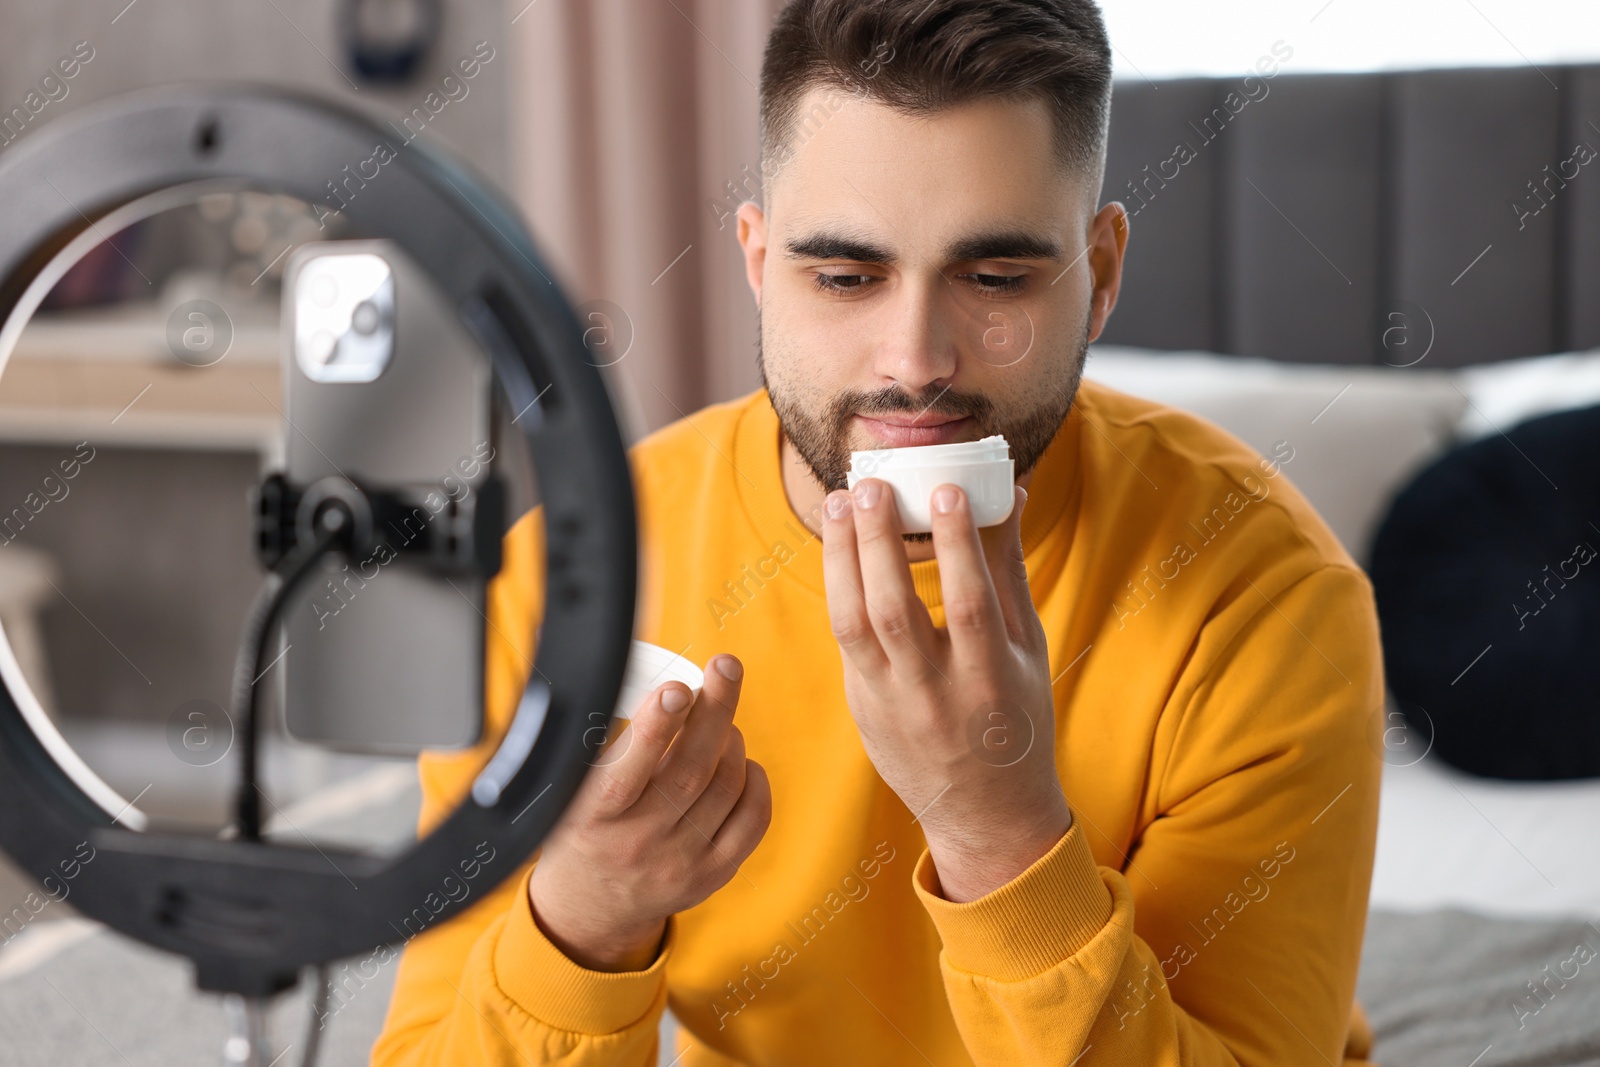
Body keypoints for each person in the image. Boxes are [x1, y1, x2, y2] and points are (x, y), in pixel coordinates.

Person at [372, 1, 1384, 1063]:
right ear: (759, 265)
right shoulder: (569, 577)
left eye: (994, 277)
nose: (914, 360)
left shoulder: (1265, 598)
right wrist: (582, 918)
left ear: (1101, 274)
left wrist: (999, 834)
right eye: (846, 276)